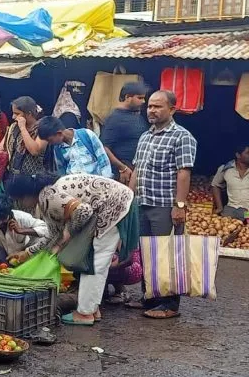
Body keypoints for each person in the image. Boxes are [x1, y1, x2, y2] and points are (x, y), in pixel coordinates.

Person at [8, 173, 139, 326]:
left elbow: (84, 211)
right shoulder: (47, 197)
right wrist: (29, 252)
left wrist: (68, 233)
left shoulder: (48, 196)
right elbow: (52, 234)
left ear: (28, 194)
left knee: (94, 264)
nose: (21, 204)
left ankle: (85, 313)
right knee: (99, 264)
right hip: (118, 203)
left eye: (20, 199)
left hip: (112, 206)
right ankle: (92, 309)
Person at [129, 90, 197, 320]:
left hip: (164, 206)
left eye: (158, 106)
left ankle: (169, 304)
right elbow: (137, 170)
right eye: (149, 106)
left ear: (172, 110)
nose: (152, 110)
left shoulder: (182, 136)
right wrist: (129, 199)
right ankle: (150, 297)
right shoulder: (145, 137)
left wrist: (179, 205)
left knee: (167, 255)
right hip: (143, 203)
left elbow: (184, 173)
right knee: (147, 254)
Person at [100, 82, 150, 184]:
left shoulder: (136, 115)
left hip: (137, 171)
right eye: (139, 98)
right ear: (128, 97)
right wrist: (122, 168)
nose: (143, 101)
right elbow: (104, 147)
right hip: (124, 174)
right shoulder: (115, 118)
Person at [0, 96, 54, 181]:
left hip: (33, 180)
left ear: (29, 114)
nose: (13, 117)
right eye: (13, 113)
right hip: (12, 177)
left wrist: (23, 128)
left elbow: (35, 151)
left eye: (17, 113)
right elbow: (1, 149)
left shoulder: (43, 128)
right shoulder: (14, 127)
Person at [37, 116, 113, 178]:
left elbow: (103, 160)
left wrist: (106, 181)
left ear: (59, 133)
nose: (50, 143)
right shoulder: (57, 149)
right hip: (75, 187)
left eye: (50, 140)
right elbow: (62, 172)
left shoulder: (86, 135)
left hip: (95, 183)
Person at [211, 144, 249, 220]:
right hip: (230, 209)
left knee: (245, 228)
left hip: (247, 212)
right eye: (248, 153)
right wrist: (219, 207)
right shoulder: (225, 169)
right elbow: (215, 185)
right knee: (224, 228)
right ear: (238, 155)